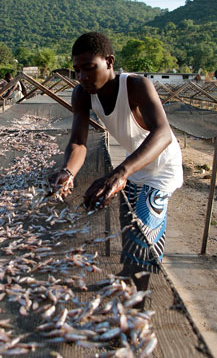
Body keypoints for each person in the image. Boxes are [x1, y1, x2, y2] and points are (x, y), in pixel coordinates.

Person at [49, 32, 183, 298]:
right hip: (134, 167)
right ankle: (128, 285)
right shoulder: (82, 94)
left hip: (160, 170)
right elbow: (78, 142)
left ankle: (132, 317)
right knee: (129, 234)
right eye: (77, 70)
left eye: (89, 68)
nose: (82, 77)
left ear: (109, 61)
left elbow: (164, 133)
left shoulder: (136, 86)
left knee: (142, 242)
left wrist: (120, 173)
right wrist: (68, 172)